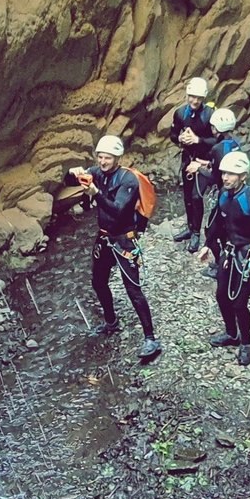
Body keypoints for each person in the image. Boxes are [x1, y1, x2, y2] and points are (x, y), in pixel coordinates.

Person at [67, 135, 162, 361]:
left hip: (123, 240)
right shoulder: (97, 173)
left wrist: (96, 194)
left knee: (133, 289)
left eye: (107, 158)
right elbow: (68, 183)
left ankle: (150, 338)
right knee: (98, 282)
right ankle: (111, 322)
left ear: (117, 158)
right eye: (99, 157)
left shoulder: (128, 181)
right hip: (104, 238)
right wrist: (73, 174)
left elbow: (118, 210)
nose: (102, 161)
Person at [196, 151, 250, 366]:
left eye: (231, 174)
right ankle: (232, 334)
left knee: (239, 303)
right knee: (222, 295)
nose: (225, 177)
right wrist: (207, 245)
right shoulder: (224, 194)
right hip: (230, 252)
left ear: (243, 176)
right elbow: (217, 223)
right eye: (224, 173)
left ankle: (246, 343)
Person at [184, 107, 241, 280]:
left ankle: (219, 266)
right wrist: (207, 163)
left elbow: (216, 177)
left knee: (212, 230)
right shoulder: (234, 144)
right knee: (227, 230)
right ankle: (229, 263)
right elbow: (223, 165)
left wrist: (198, 168)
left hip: (225, 195)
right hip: (236, 193)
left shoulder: (217, 148)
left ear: (216, 128)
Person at [169, 77, 216, 251]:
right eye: (192, 97)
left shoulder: (210, 115)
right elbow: (173, 135)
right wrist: (180, 139)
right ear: (187, 95)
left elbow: (217, 141)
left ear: (203, 98)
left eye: (198, 98)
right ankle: (190, 228)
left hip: (205, 161)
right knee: (188, 196)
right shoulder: (180, 113)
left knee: (197, 196)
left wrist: (197, 140)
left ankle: (196, 233)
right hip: (188, 159)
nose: (195, 101)